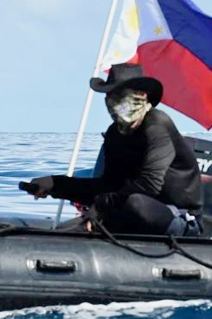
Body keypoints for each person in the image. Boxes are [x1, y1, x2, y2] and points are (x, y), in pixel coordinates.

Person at [24, 63, 202, 236]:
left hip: (177, 216)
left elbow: (150, 185)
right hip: (131, 212)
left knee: (136, 203)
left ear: (141, 96)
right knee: (65, 231)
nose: (112, 102)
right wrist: (56, 185)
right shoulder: (114, 134)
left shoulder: (157, 126)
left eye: (119, 95)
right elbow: (108, 185)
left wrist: (101, 208)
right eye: (109, 95)